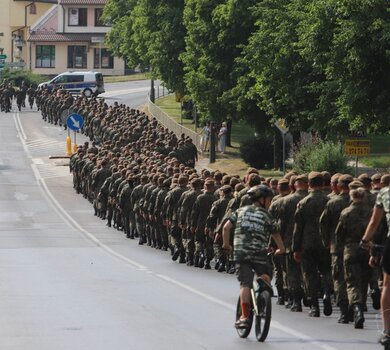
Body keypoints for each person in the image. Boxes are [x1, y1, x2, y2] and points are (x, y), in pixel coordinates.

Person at [222, 184, 285, 329]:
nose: (270, 203)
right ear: (261, 200)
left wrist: (227, 245)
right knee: (267, 274)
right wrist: (281, 249)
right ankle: (262, 287)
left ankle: (244, 316)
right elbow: (275, 233)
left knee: (245, 284)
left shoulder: (240, 211)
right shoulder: (266, 215)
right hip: (260, 253)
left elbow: (226, 228)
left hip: (241, 253)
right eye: (269, 200)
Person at [361, 180, 390, 345]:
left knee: (387, 285)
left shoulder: (385, 193)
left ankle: (387, 330)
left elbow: (374, 222)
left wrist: (365, 240)